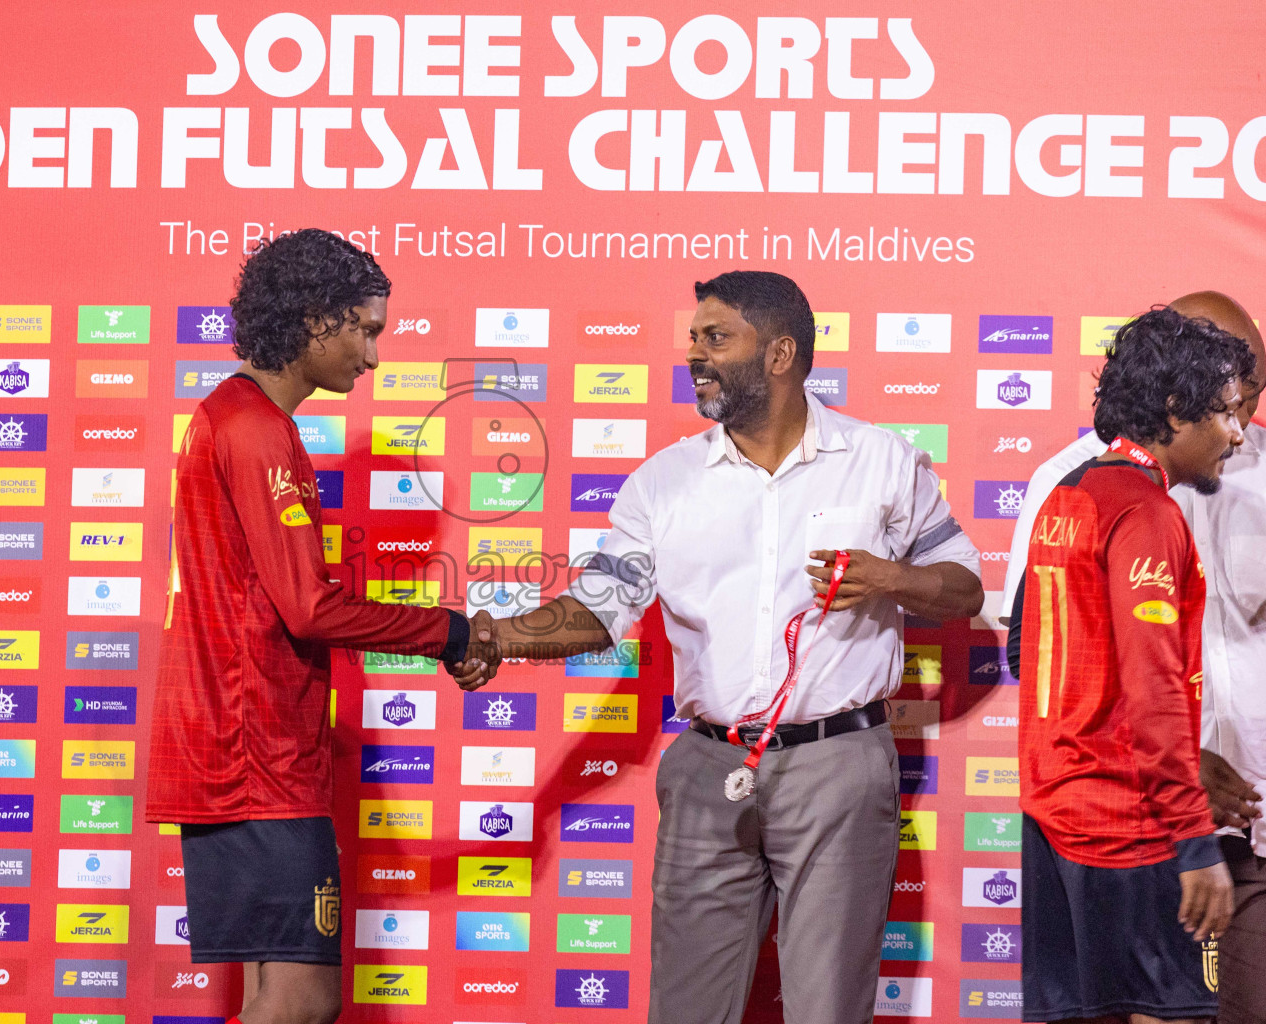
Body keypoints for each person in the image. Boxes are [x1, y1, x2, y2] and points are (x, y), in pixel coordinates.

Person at [453, 270, 983, 1024]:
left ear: (780, 353)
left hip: (839, 768)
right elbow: (599, 608)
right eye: (692, 339)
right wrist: (494, 637)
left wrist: (892, 578)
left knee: (827, 1009)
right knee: (686, 1009)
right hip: (707, 768)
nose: (694, 354)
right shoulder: (664, 482)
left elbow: (964, 589)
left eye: (715, 338)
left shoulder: (882, 462)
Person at [145, 229, 493, 1024]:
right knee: (302, 999)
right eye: (365, 330)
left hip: (248, 741)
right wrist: (452, 633)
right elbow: (309, 606)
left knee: (282, 994)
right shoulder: (256, 427)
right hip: (251, 748)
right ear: (313, 322)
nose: (372, 357)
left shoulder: (239, 416)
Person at [1002, 292, 1266, 1023]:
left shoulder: (1074, 493)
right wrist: (1192, 840)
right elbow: (1153, 691)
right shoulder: (1147, 512)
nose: (1239, 434)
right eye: (1227, 411)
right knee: (1165, 1014)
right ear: (1176, 408)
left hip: (1054, 817)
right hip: (1131, 821)